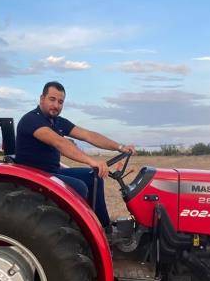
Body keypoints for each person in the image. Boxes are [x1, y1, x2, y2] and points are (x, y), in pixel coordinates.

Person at [14, 81, 135, 228]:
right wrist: (91, 161)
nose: (56, 105)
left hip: (52, 171)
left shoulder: (57, 121)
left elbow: (88, 135)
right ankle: (81, 232)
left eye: (60, 102)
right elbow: (59, 142)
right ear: (42, 99)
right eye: (52, 99)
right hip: (34, 175)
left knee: (94, 177)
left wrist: (120, 147)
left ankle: (104, 228)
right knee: (79, 187)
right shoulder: (32, 120)